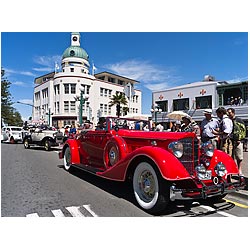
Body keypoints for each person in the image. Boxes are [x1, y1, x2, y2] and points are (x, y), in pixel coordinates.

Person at [227, 108, 246, 176]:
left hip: (238, 141)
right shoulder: (228, 121)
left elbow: (243, 130)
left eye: (229, 112)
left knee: (239, 157)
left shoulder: (239, 120)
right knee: (230, 157)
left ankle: (239, 170)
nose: (228, 114)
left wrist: (241, 140)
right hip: (230, 141)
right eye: (228, 113)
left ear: (233, 113)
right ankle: (231, 171)